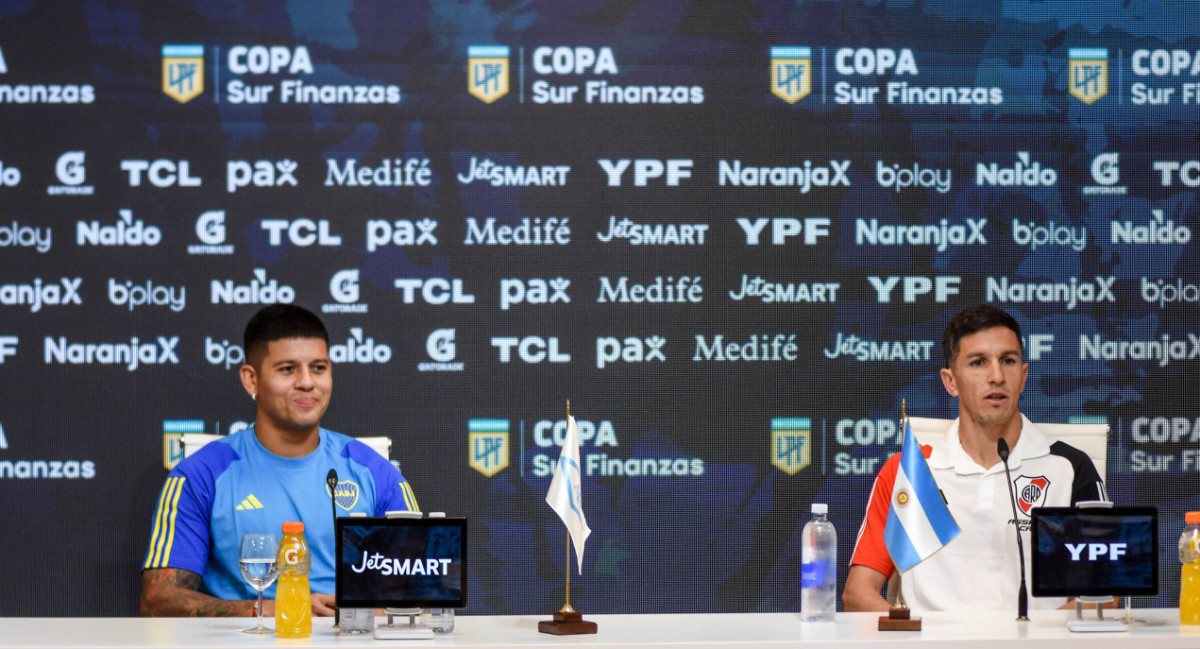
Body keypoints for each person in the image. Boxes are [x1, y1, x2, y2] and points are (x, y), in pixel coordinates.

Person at [140, 304, 419, 616]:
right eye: (288, 369)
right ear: (251, 380)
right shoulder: (198, 475)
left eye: (319, 368)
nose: (307, 382)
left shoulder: (375, 472)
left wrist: (361, 612)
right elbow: (157, 599)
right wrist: (276, 609)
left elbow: (423, 588)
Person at [842, 304, 1105, 612]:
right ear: (950, 381)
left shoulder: (1070, 467)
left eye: (1007, 361)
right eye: (978, 362)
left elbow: (1103, 595)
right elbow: (858, 593)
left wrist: (1040, 639)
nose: (996, 376)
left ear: (1023, 376)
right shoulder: (911, 470)